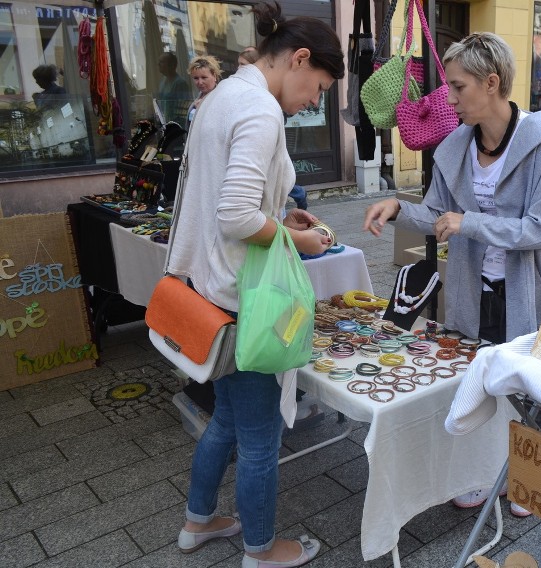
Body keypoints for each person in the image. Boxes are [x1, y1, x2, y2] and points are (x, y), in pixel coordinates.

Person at [363, 32, 541, 514]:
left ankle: (529, 477)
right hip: (473, 285)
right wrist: (397, 208)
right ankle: (482, 471)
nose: (450, 97)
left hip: (528, 287)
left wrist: (471, 222)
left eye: (459, 87)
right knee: (478, 377)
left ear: (491, 83)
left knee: (529, 385)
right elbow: (440, 215)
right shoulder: (456, 147)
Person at [169, 2, 344, 566]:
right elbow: (238, 217)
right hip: (240, 300)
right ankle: (261, 550)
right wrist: (298, 240)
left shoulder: (221, 97)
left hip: (207, 291)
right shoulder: (262, 110)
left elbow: (238, 203)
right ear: (297, 60)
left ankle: (198, 522)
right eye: (318, 88)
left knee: (226, 418)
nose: (314, 102)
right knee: (261, 437)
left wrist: (279, 215)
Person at [238, 46, 308, 210]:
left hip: (263, 210)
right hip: (260, 212)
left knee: (276, 177)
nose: (239, 69)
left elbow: (239, 216)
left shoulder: (264, 104)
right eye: (239, 65)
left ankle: (298, 194)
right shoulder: (252, 99)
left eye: (244, 65)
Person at [186, 55, 222, 125]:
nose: (200, 82)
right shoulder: (198, 97)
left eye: (204, 77)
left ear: (214, 76)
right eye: (196, 78)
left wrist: (202, 110)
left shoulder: (221, 98)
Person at [157, 52, 191, 123]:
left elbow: (184, 110)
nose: (158, 64)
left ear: (171, 65)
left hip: (175, 125)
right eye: (159, 61)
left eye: (162, 62)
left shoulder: (180, 83)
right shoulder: (163, 81)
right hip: (164, 122)